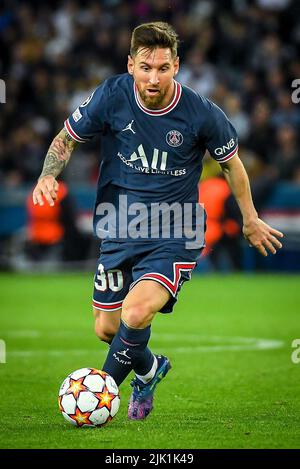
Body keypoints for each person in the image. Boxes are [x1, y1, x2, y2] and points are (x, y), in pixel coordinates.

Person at [32, 22, 284, 422]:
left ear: (177, 66)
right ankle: (149, 369)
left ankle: (100, 396)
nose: (154, 77)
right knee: (107, 328)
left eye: (163, 68)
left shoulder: (201, 112)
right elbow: (67, 138)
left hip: (175, 230)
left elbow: (232, 165)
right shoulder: (111, 95)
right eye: (146, 67)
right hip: (119, 226)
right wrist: (48, 173)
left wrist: (251, 219)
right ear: (131, 64)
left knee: (135, 313)